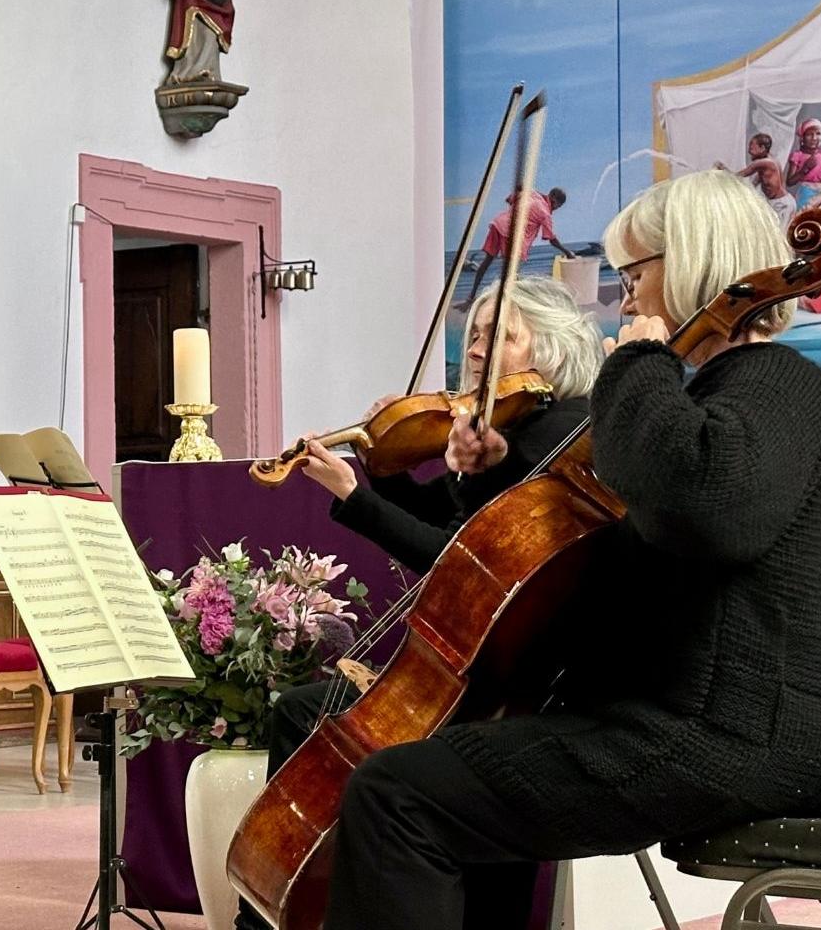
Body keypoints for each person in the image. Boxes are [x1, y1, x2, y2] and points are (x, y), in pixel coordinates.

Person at [321, 168, 821, 929]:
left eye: (635, 274)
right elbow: (610, 561)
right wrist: (490, 476)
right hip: (694, 723)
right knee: (446, 777)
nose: (626, 298)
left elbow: (705, 512)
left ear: (693, 260)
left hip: (736, 737)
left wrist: (639, 365)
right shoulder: (712, 397)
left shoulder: (776, 383)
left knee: (398, 795)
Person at [232, 275, 603, 930]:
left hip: (512, 683)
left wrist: (357, 497)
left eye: (501, 335)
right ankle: (303, 904)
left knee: (319, 722)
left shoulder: (557, 435)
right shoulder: (508, 429)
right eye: (477, 332)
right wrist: (379, 470)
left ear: (551, 351)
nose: (478, 348)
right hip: (479, 672)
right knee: (302, 713)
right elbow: (442, 512)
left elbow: (461, 559)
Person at [466, 187, 575, 307]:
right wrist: (567, 252)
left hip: (498, 224)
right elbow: (552, 239)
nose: (556, 208)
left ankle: (471, 296)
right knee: (512, 272)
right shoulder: (545, 213)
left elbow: (509, 199)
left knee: (487, 261)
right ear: (553, 199)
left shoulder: (531, 193)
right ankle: (505, 303)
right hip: (512, 235)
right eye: (558, 205)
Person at [717, 131, 793, 226]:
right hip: (777, 203)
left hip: (781, 205)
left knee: (777, 233)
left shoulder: (763, 163)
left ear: (762, 148)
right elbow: (755, 183)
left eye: (752, 148)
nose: (749, 152)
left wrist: (723, 169)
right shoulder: (769, 162)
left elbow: (738, 176)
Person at [788, 118, 821, 207]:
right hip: (806, 193)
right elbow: (789, 182)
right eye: (809, 134)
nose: (814, 138)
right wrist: (805, 168)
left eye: (818, 134)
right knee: (805, 212)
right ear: (802, 138)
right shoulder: (797, 155)